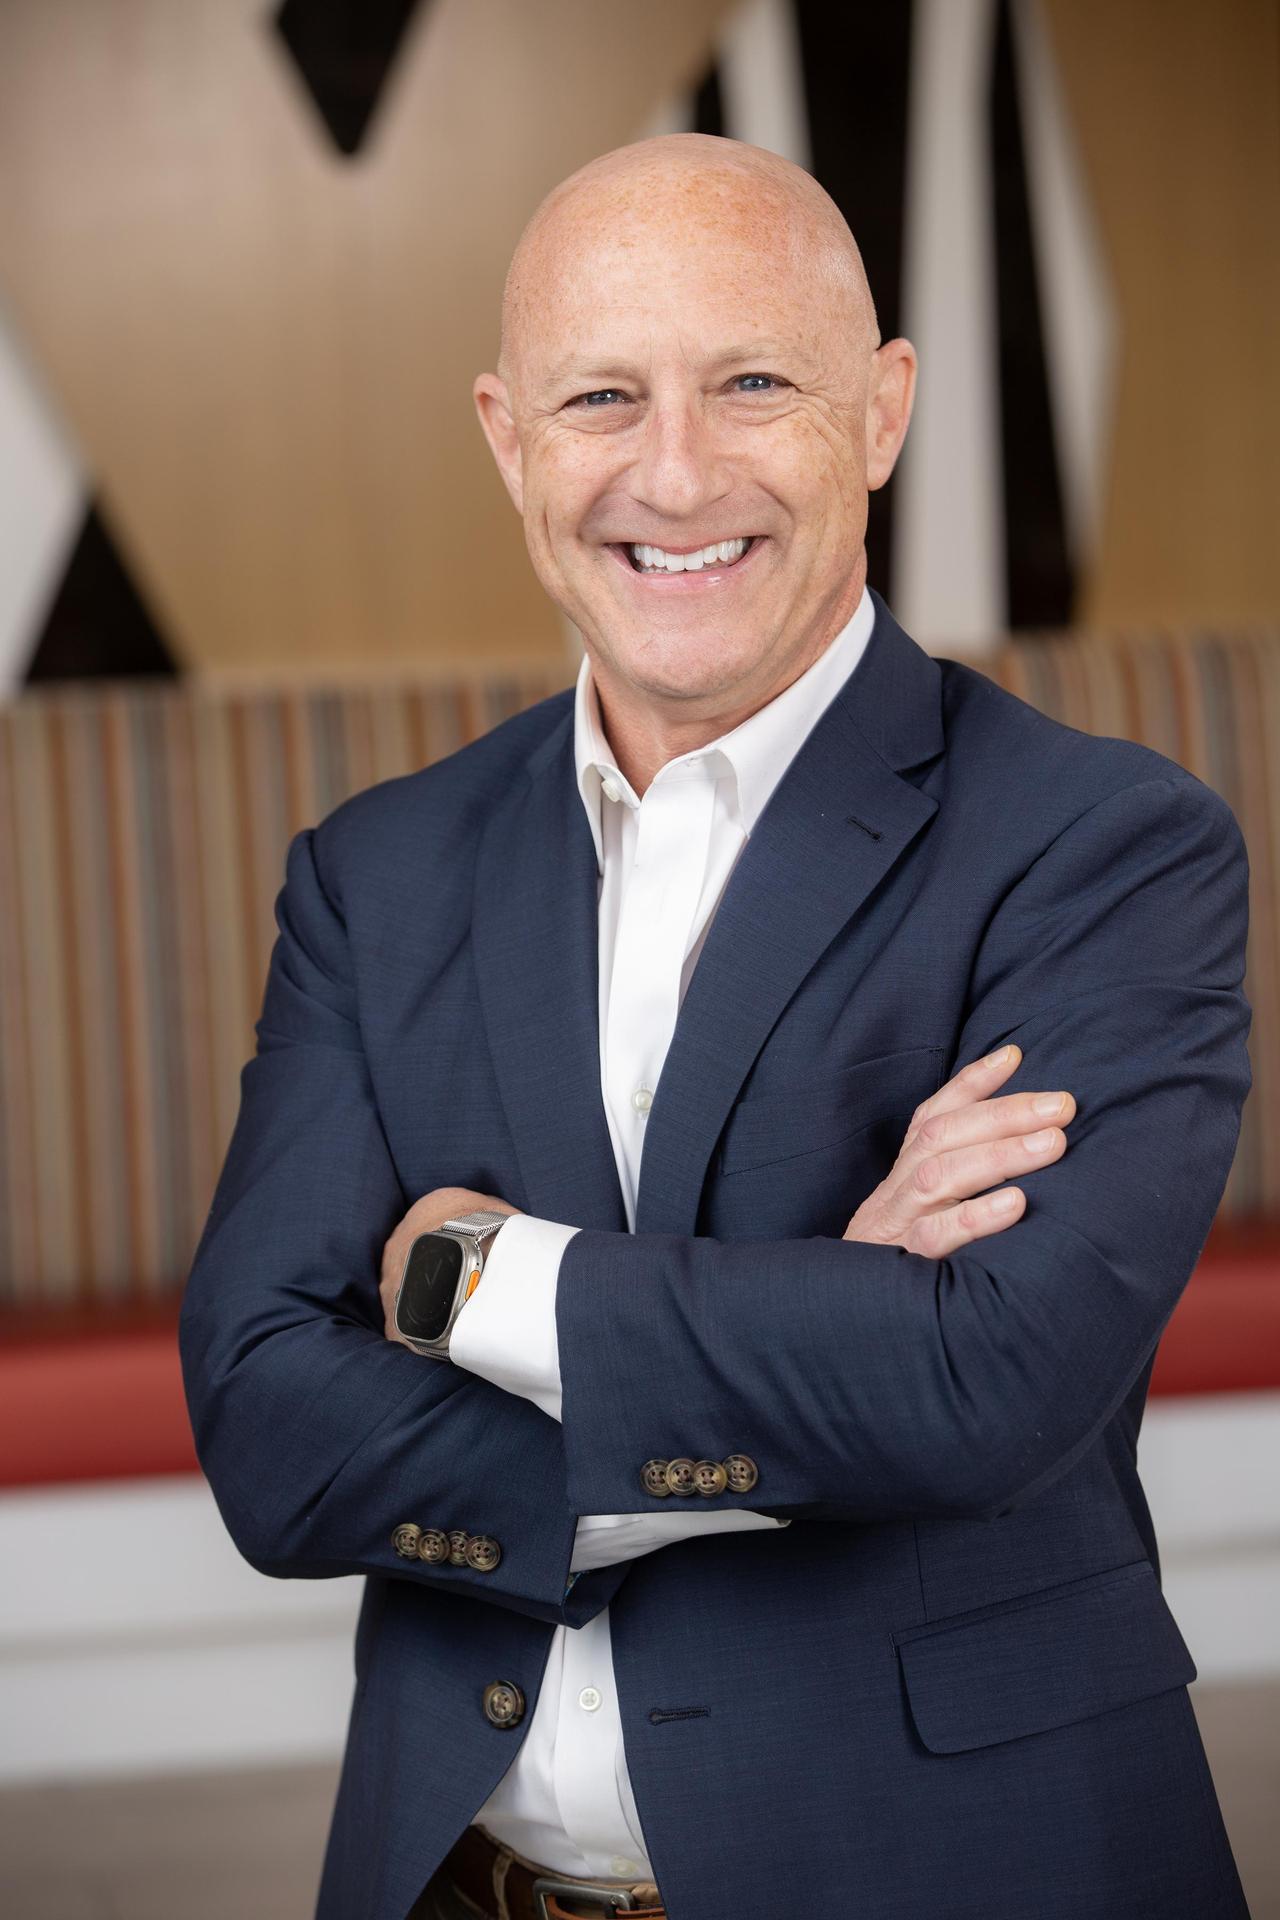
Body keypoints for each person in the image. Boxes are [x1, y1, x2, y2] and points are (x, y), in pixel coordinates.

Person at [179, 134, 1252, 1920]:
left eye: (753, 383)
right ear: (509, 440)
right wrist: (836, 1319)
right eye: (601, 396)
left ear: (882, 412)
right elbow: (268, 1436)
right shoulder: (376, 876)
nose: (673, 475)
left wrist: (478, 1284)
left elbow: (983, 1384)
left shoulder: (1105, 847)